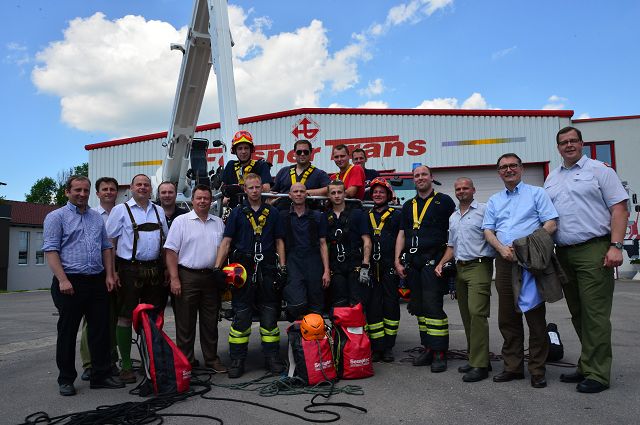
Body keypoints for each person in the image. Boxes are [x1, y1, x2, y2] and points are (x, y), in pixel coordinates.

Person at [544, 126, 629, 393]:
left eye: (573, 141)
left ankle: (599, 374)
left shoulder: (600, 170)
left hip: (594, 249)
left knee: (595, 315)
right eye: (563, 142)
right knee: (578, 313)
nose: (569, 145)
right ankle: (587, 364)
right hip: (564, 253)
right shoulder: (552, 179)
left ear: (582, 143)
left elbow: (619, 209)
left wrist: (616, 246)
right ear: (558, 147)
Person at [43, 175, 124, 396]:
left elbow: (106, 247)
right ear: (67, 192)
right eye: (77, 190)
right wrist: (63, 280)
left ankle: (100, 375)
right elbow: (51, 250)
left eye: (86, 190)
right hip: (70, 282)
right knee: (68, 332)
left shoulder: (96, 218)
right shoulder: (56, 217)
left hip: (96, 281)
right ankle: (66, 379)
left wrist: (109, 275)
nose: (82, 194)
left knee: (100, 331)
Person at [483, 153, 558, 389]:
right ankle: (513, 367)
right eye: (503, 167)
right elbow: (488, 231)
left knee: (535, 318)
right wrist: (501, 249)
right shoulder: (495, 200)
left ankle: (537, 370)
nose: (508, 170)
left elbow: (551, 223)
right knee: (508, 318)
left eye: (513, 165)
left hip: (531, 262)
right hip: (505, 261)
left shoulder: (537, 193)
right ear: (499, 172)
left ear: (521, 168)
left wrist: (530, 245)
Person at [214, 173, 287, 379]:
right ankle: (237, 359)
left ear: (261, 189)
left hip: (268, 268)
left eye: (257, 187)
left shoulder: (273, 213)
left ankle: (272, 357)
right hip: (243, 269)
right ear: (244, 190)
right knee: (242, 316)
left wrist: (283, 268)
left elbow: (280, 241)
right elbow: (226, 242)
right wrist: (216, 268)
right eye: (250, 188)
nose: (255, 191)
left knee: (269, 314)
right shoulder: (237, 213)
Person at [106, 174, 169, 384]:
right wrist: (112, 272)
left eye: (146, 185)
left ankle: (150, 361)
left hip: (155, 269)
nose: (143, 188)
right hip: (128, 269)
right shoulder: (120, 210)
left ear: (151, 189)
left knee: (153, 317)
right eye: (139, 185)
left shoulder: (159, 210)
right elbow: (109, 243)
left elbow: (166, 243)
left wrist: (168, 269)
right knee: (124, 316)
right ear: (131, 188)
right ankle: (125, 365)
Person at [394, 165, 455, 373]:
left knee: (433, 307)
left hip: (433, 262)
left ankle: (439, 353)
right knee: (419, 308)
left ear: (431, 178)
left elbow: (454, 231)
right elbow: (402, 234)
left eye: (424, 175)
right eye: (417, 176)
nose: (420, 178)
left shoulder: (444, 201)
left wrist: (447, 259)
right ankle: (427, 348)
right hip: (413, 264)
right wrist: (397, 261)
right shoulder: (408, 205)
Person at [435, 177, 496, 382]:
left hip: (479, 265)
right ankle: (476, 358)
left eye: (465, 188)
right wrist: (441, 263)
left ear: (473, 190)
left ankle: (480, 365)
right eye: (458, 189)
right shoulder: (453, 217)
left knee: (477, 314)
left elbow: (494, 234)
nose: (461, 191)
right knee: (467, 315)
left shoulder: (485, 209)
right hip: (460, 268)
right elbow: (451, 246)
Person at [164, 184, 227, 372]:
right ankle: (186, 362)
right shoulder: (181, 221)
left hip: (210, 277)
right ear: (193, 200)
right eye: (199, 198)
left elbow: (223, 250)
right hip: (187, 276)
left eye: (206, 198)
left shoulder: (218, 223)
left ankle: (211, 359)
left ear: (211, 201)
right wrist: (174, 279)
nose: (202, 201)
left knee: (210, 322)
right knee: (185, 323)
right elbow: (171, 252)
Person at [80, 177, 120, 381]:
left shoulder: (123, 212)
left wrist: (114, 272)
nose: (109, 192)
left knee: (112, 318)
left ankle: (110, 360)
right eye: (104, 189)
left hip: (119, 271)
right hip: (96, 272)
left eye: (112, 189)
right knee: (92, 321)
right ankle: (89, 363)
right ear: (97, 193)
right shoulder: (91, 216)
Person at [280, 182, 331, 320]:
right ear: (290, 195)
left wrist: (326, 270)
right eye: (295, 191)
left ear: (306, 194)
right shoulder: (283, 216)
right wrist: (283, 266)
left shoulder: (318, 216)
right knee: (297, 303)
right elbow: (280, 243)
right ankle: (299, 329)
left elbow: (323, 243)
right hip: (293, 262)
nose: (298, 194)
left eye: (302, 191)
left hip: (314, 262)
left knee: (316, 305)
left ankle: (314, 338)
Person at [365, 177, 401, 362]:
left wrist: (398, 262)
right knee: (373, 308)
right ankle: (377, 347)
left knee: (391, 306)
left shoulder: (396, 216)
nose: (378, 194)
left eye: (382, 192)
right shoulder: (365, 215)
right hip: (372, 268)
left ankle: (388, 346)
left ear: (388, 195)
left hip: (388, 267)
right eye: (375, 192)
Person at [326, 180, 371, 307]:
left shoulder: (357, 214)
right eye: (333, 193)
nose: (336, 195)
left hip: (355, 266)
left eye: (339, 192)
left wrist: (365, 266)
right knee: (339, 304)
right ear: (329, 196)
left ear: (344, 193)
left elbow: (366, 240)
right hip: (336, 268)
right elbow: (323, 245)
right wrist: (326, 269)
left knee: (356, 304)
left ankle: (358, 327)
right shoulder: (325, 217)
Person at [271, 139, 330, 209]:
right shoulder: (283, 171)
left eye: (305, 152)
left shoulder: (320, 174)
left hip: (310, 216)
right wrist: (272, 200)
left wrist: (309, 192)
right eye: (299, 152)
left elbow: (329, 189)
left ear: (311, 153)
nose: (302, 154)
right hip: (284, 214)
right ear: (294, 154)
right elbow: (272, 192)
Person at [221, 130, 272, 207]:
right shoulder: (230, 165)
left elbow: (266, 189)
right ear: (235, 151)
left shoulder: (261, 165)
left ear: (251, 150)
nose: (243, 151)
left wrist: (240, 188)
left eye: (246, 148)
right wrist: (225, 198)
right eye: (240, 148)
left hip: (256, 210)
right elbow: (223, 188)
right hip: (234, 210)